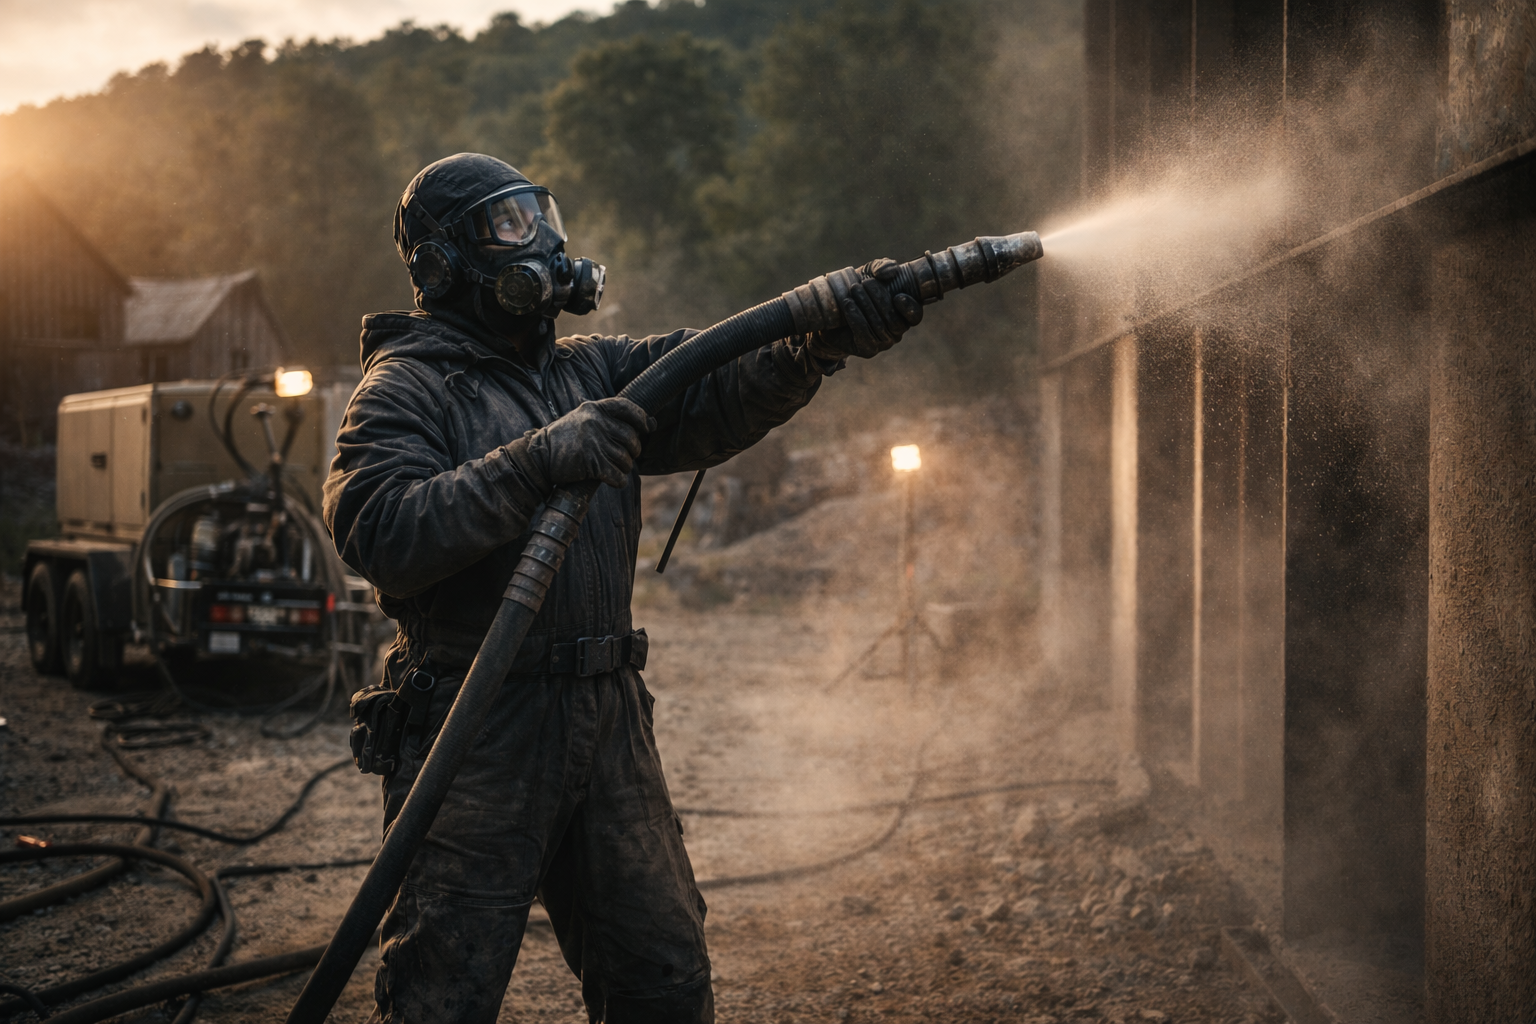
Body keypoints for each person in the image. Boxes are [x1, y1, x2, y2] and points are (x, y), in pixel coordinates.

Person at [323, 152, 922, 1024]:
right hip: (477, 725)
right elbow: (382, 530)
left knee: (662, 981)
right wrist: (535, 463)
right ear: (441, 266)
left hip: (607, 720)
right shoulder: (405, 390)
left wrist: (816, 341)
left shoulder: (591, 371)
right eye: (507, 226)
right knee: (442, 995)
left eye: (538, 215)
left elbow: (714, 380)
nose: (540, 240)